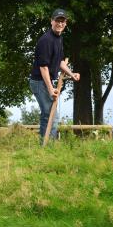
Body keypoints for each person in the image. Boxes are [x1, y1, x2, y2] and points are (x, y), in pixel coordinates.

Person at [29, 8, 80, 143]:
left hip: (46, 81)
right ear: (51, 21)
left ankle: (44, 145)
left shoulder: (59, 39)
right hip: (40, 82)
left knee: (48, 115)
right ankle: (47, 145)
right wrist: (51, 89)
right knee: (51, 116)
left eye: (62, 21)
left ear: (66, 23)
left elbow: (60, 62)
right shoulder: (46, 40)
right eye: (57, 20)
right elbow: (43, 67)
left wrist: (72, 74)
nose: (60, 24)